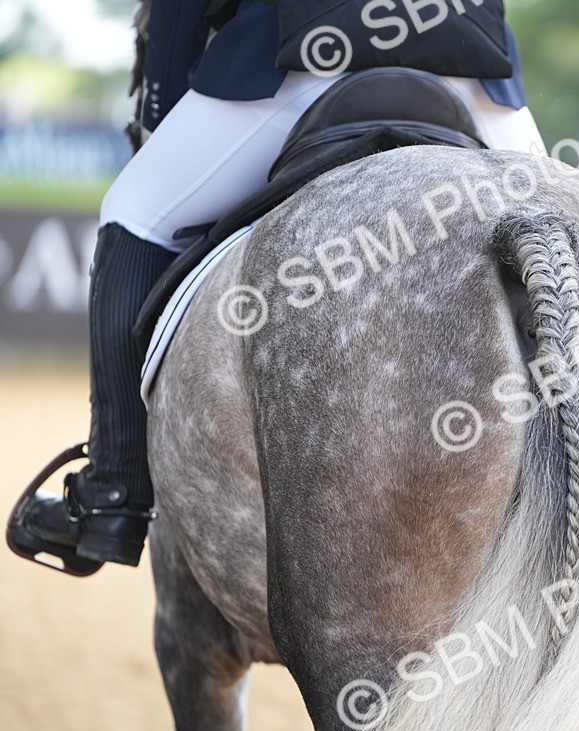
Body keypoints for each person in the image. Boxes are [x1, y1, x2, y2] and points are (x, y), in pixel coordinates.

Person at [13, 0, 544, 569]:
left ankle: (111, 495)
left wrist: (161, 107)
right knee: (562, 236)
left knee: (134, 212)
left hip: (300, 57)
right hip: (470, 62)